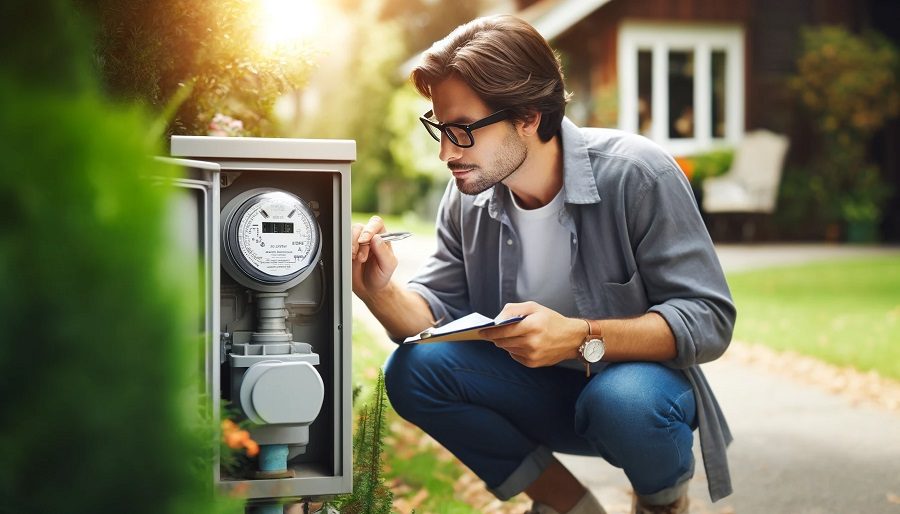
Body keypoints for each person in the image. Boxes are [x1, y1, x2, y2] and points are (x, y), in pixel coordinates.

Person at [351, 15, 735, 514]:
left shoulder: (637, 174)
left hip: (639, 396)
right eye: (439, 128)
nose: (447, 152)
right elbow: (432, 319)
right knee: (412, 369)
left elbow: (709, 319)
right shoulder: (468, 194)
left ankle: (661, 502)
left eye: (463, 130)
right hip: (536, 393)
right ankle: (567, 505)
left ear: (529, 117)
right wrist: (377, 290)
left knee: (622, 402)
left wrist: (578, 336)